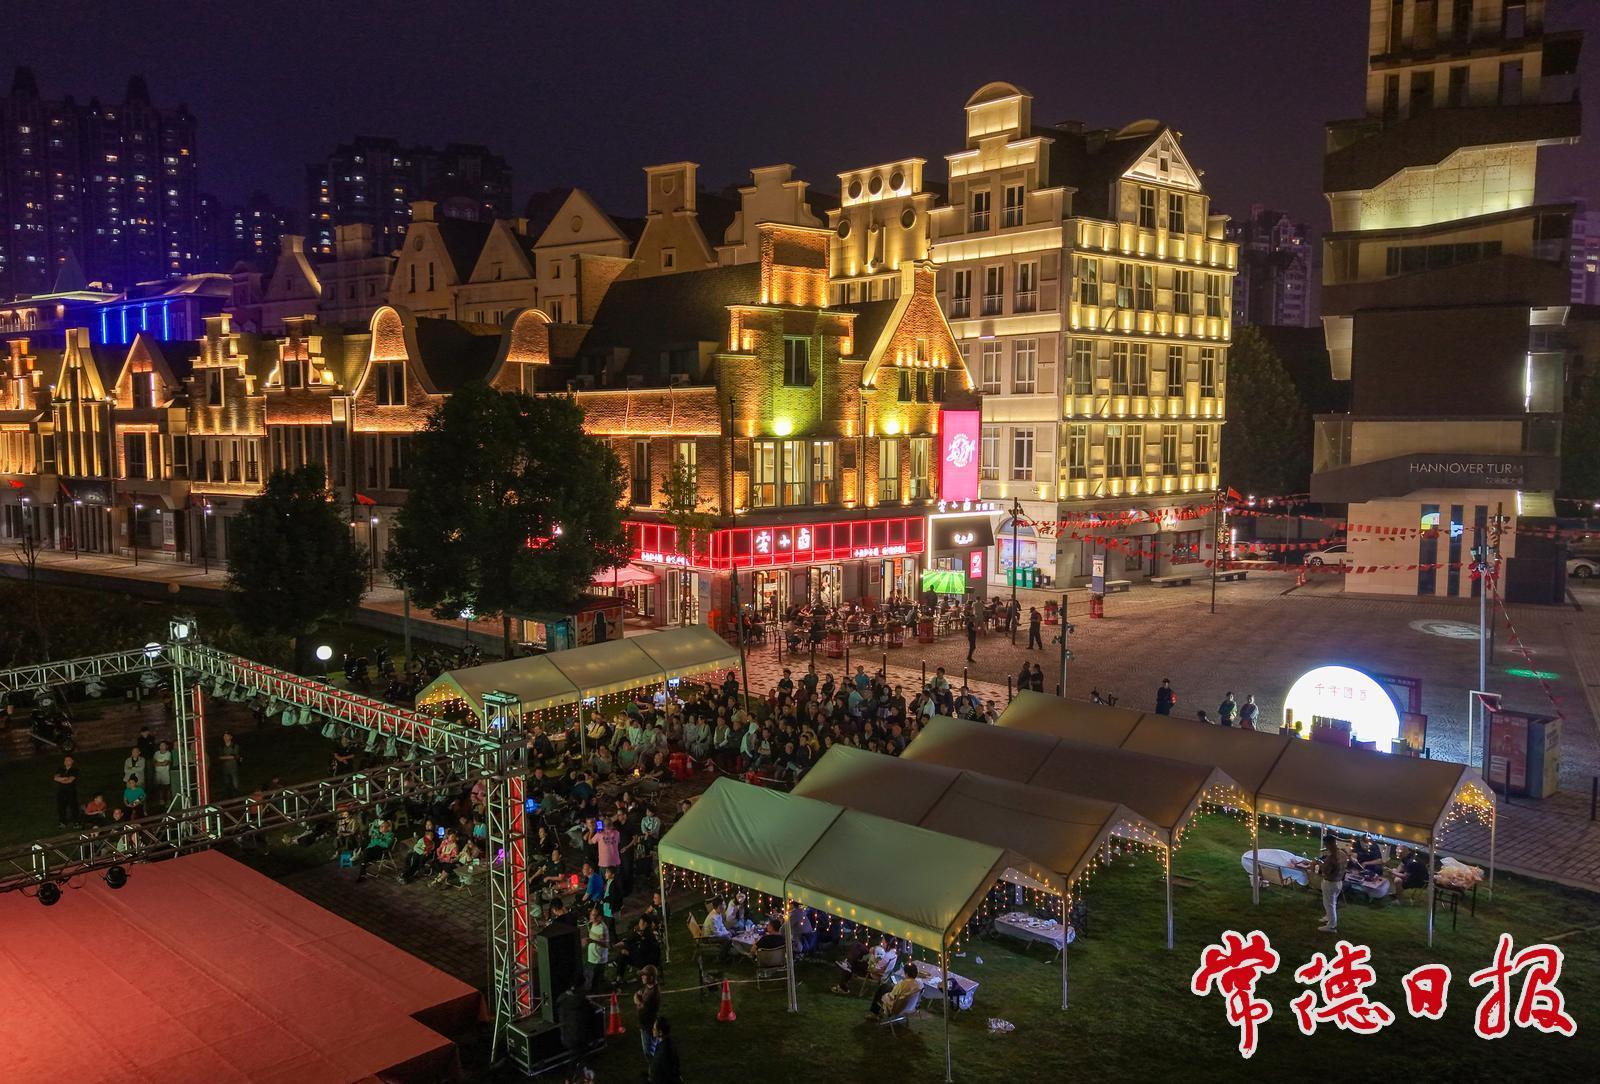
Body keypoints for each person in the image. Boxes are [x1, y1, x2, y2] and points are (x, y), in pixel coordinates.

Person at [1317, 833, 1343, 934]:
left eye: (1326, 844)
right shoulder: (1342, 853)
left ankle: (1331, 926)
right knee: (1331, 902)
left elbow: (1326, 871)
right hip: (1339, 882)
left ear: (1328, 844)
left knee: (1330, 904)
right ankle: (1328, 917)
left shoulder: (1332, 857)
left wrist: (1321, 865)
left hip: (1330, 883)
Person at [634, 965, 661, 1060]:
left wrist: (636, 999)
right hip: (645, 1024)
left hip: (648, 1025)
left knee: (649, 1051)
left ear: (651, 977)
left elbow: (642, 1007)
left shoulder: (653, 993)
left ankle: (654, 1067)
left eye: (644, 975)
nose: (642, 977)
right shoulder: (649, 987)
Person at [583, 906, 610, 991]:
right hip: (592, 957)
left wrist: (592, 941)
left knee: (595, 982)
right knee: (588, 976)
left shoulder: (602, 928)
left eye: (595, 915)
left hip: (598, 960)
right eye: (592, 914)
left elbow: (606, 945)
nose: (592, 917)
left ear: (600, 917)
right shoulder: (592, 924)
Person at [648, 1016, 681, 1084]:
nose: (652, 1030)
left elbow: (669, 1072)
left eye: (654, 1029)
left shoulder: (663, 1052)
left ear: (660, 1032)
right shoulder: (667, 1042)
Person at [53, 755, 80, 828]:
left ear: (72, 761)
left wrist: (61, 779)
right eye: (65, 760)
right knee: (61, 807)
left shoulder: (75, 770)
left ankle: (76, 822)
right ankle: (62, 822)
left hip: (71, 791)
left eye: (68, 760)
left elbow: (70, 780)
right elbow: (55, 778)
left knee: (73, 807)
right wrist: (65, 778)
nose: (67, 761)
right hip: (61, 792)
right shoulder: (60, 769)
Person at [216, 732, 243, 797]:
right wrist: (231, 757)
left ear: (231, 737)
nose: (225, 738)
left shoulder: (235, 746)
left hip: (233, 767)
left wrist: (228, 757)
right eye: (224, 736)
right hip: (225, 768)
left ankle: (236, 794)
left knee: (235, 782)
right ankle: (228, 795)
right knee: (226, 783)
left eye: (227, 736)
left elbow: (236, 756)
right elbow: (220, 757)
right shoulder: (221, 746)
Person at [152, 740, 173, 808]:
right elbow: (154, 763)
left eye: (163, 745)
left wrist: (158, 763)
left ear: (166, 746)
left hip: (165, 773)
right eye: (161, 745)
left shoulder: (168, 753)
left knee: (167, 788)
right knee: (159, 788)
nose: (162, 747)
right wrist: (161, 763)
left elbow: (165, 763)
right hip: (158, 773)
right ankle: (161, 800)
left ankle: (168, 801)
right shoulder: (156, 753)